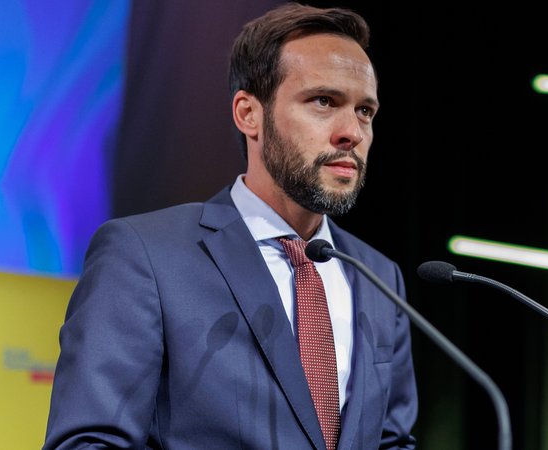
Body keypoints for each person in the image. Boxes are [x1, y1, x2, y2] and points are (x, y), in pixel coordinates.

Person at [43, 3, 418, 449]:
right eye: (324, 101)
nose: (351, 133)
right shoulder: (145, 255)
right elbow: (90, 442)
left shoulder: (380, 277)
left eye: (364, 111)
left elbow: (393, 441)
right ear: (248, 114)